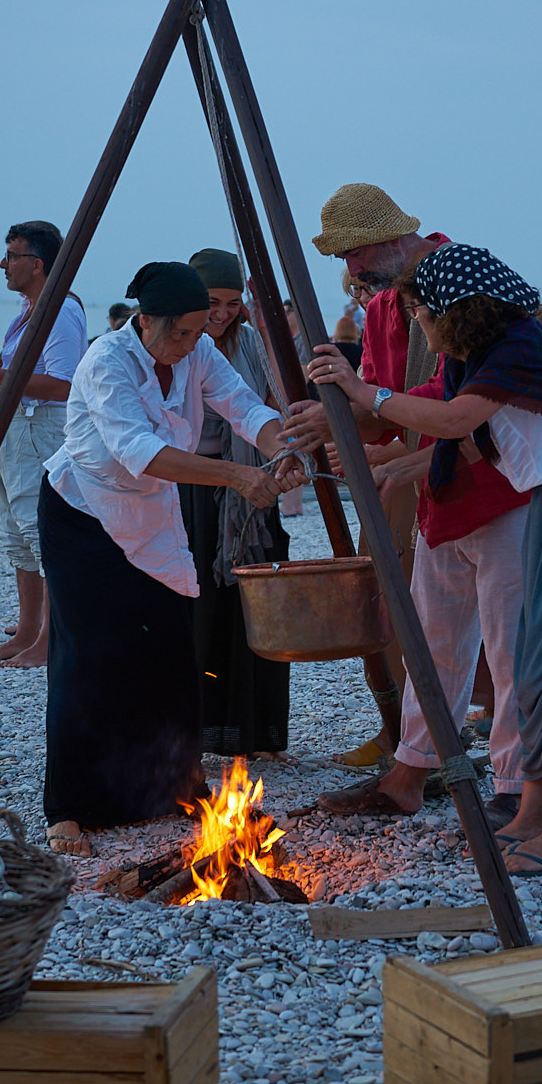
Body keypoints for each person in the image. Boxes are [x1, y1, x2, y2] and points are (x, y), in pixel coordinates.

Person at [305, 243, 542, 874]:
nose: (414, 321)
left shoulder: (514, 346)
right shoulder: (476, 359)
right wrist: (394, 459)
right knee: (539, 661)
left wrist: (364, 391)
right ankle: (532, 816)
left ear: (453, 310)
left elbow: (454, 422)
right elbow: (471, 443)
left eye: (418, 309)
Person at [38, 259, 304, 854]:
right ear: (145, 321)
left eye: (196, 331)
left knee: (168, 647)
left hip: (151, 514)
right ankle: (68, 808)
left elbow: (243, 406)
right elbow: (141, 452)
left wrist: (278, 447)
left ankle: (173, 785)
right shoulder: (106, 362)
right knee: (88, 656)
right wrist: (237, 475)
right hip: (82, 515)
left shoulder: (198, 351)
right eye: (180, 332)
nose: (189, 344)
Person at [292, 183, 457, 766]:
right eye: (344, 259)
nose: (352, 270)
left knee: (452, 620)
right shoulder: (385, 305)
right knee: (384, 601)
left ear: (387, 239)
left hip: (463, 469)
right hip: (406, 473)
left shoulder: (456, 275)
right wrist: (338, 425)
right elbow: (378, 404)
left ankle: (441, 743)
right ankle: (404, 735)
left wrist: (359, 427)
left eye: (354, 254)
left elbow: (457, 398)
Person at [179, 248, 294, 758]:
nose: (222, 313)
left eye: (232, 302)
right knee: (200, 611)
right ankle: (194, 733)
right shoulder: (179, 346)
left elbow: (271, 408)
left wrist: (281, 459)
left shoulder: (253, 344)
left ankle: (255, 734)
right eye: (211, 302)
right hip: (193, 490)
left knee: (257, 612)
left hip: (252, 496)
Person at [0, 223, 86, 669]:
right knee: (16, 536)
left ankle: (51, 638)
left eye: (11, 255)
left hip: (38, 429)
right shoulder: (30, 308)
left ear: (37, 264)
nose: (3, 264)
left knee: (40, 534)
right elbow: (22, 377)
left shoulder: (60, 311)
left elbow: (65, 385)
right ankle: (29, 631)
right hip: (15, 428)